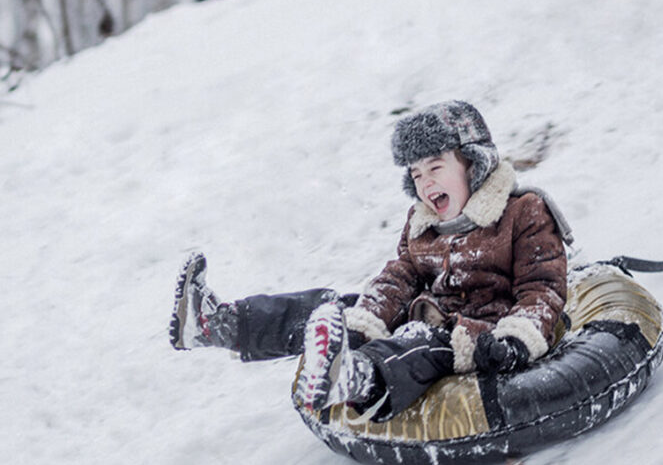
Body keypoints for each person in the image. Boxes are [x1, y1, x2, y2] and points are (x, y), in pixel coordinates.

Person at [170, 100, 570, 423]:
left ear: (474, 163)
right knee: (331, 305)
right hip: (422, 313)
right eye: (416, 174)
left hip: (475, 335)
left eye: (435, 167)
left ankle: (354, 377)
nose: (426, 183)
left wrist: (514, 340)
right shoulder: (422, 221)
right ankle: (214, 324)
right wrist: (363, 320)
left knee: (418, 344)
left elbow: (543, 290)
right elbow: (400, 275)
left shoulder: (523, 212)